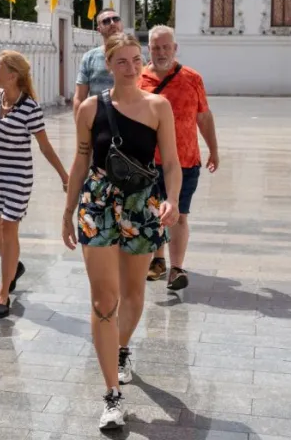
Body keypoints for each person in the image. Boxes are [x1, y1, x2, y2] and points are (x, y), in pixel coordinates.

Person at [62, 32, 181, 430]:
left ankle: (122, 347)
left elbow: (172, 165)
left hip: (141, 204)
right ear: (108, 65)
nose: (131, 68)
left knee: (133, 293)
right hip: (97, 205)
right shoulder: (90, 109)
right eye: (122, 62)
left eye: (136, 60)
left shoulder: (158, 106)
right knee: (104, 299)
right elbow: (80, 164)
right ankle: (112, 396)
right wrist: (67, 212)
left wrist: (173, 200)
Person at [0, 50, 69, 318]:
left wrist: (64, 175)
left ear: (12, 75)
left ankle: (3, 292)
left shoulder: (30, 108)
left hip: (17, 175)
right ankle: (14, 265)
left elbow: (45, 146)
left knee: (8, 227)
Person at [139, 26, 219, 289]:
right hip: (147, 163)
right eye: (155, 47)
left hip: (185, 161)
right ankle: (157, 258)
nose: (161, 52)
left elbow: (203, 116)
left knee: (179, 215)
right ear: (148, 48)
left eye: (166, 47)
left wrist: (213, 149)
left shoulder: (192, 78)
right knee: (152, 212)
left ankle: (177, 268)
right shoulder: (138, 80)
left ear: (175, 48)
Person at [73, 7, 124, 117]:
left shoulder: (135, 56)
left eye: (116, 19)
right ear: (99, 29)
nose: (112, 23)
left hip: (130, 120)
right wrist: (80, 128)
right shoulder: (89, 58)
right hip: (98, 122)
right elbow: (80, 97)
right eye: (106, 21)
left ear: (121, 23)